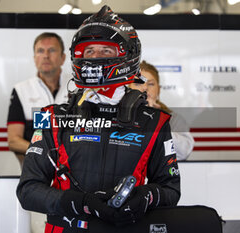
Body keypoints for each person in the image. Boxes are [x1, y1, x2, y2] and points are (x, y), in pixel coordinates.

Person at [17, 6, 180, 232]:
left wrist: (144, 196)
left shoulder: (154, 121)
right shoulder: (50, 117)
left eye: (106, 50)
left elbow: (170, 189)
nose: (95, 58)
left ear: (128, 55)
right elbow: (28, 191)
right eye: (89, 51)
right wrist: (80, 203)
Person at [7, 32, 70, 165]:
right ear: (34, 57)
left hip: (73, 166)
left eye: (52, 50)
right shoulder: (21, 90)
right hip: (36, 168)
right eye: (40, 51)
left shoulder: (77, 87)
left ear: (63, 58)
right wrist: (44, 152)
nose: (46, 56)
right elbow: (13, 140)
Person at [130, 60, 195, 160]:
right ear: (128, 88)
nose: (145, 88)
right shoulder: (115, 113)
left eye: (151, 84)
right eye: (138, 84)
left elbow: (184, 152)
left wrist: (155, 121)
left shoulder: (173, 118)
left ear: (159, 90)